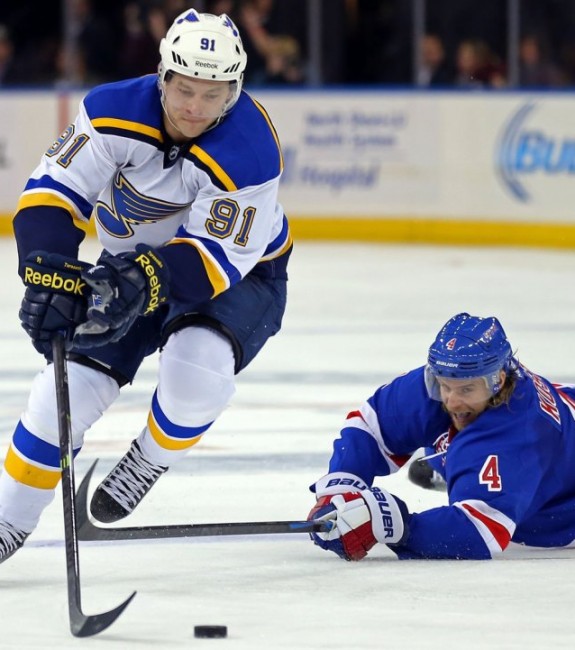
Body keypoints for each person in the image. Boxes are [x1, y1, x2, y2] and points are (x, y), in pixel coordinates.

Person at [0, 8, 290, 563]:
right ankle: (8, 522)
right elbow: (51, 195)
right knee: (60, 394)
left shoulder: (250, 149)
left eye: (213, 95)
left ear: (234, 91)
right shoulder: (110, 110)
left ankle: (149, 458)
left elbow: (212, 262)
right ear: (163, 75)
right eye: (185, 89)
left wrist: (142, 278)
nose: (195, 108)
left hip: (239, 274)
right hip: (126, 261)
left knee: (197, 368)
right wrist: (48, 270)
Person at [308, 313, 575, 561]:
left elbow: (482, 530)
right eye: (444, 385)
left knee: (479, 459)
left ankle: (460, 471)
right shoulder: (449, 379)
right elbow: (371, 425)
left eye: (466, 389)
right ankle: (452, 468)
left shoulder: (520, 434)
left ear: (498, 380)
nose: (452, 400)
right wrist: (342, 486)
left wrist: (399, 527)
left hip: (561, 506)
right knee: (455, 436)